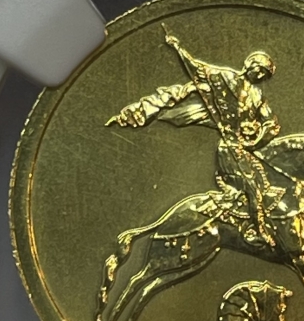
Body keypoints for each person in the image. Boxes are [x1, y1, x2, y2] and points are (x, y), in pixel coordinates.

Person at [107, 29, 283, 247]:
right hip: (228, 148)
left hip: (245, 149)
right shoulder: (224, 77)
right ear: (249, 65)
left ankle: (239, 212)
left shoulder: (258, 95)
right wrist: (178, 47)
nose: (261, 76)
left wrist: (257, 140)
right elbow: (196, 68)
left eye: (265, 74)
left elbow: (271, 122)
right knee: (252, 189)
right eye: (260, 69)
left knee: (265, 183)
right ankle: (259, 230)